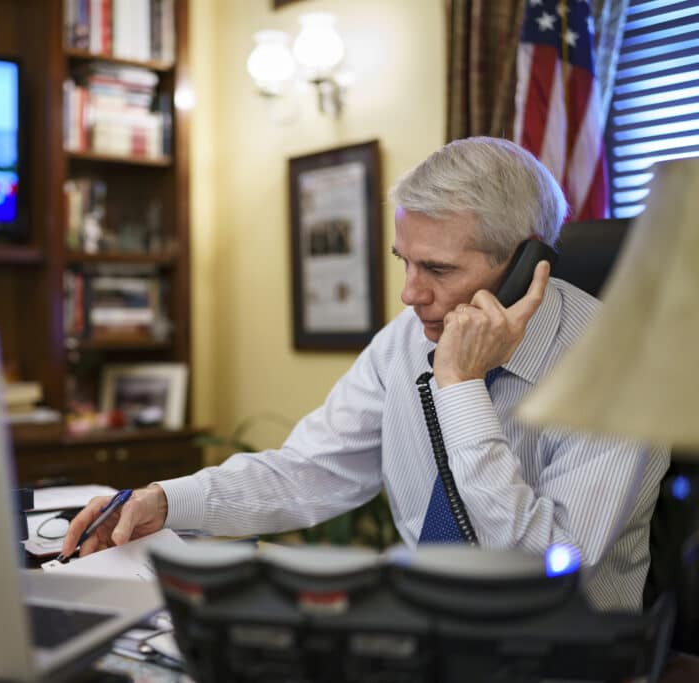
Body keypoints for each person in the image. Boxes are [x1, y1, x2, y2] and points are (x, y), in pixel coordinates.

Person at [61, 137, 669, 612]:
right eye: (405, 261)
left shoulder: (621, 365)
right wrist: (165, 501)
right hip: (425, 635)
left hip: (563, 654)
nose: (410, 294)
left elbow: (546, 565)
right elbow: (308, 473)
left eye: (437, 268)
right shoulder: (405, 342)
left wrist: (459, 391)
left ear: (527, 264)